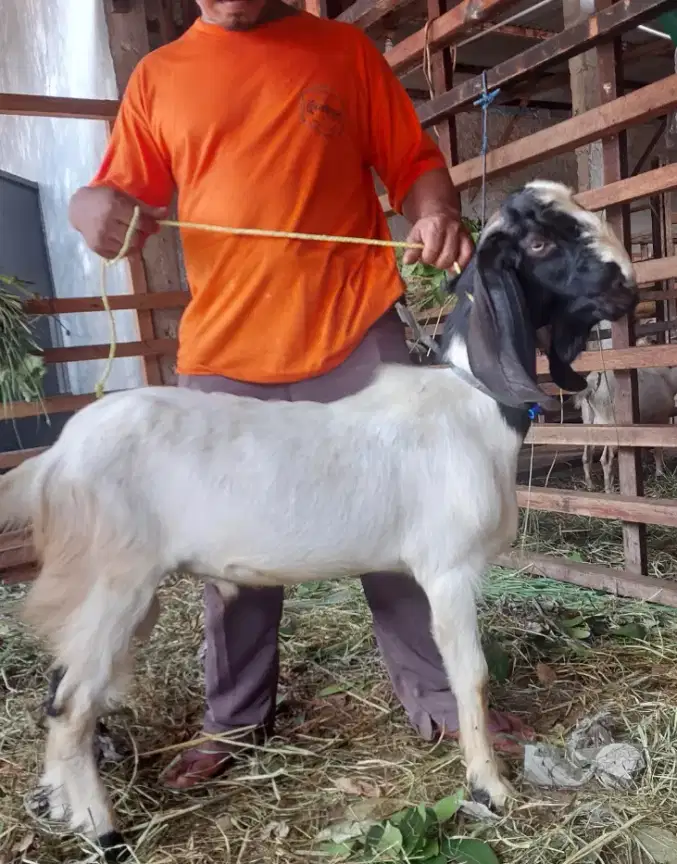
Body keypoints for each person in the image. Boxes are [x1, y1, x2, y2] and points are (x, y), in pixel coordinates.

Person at [69, 0, 531, 790]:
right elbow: (114, 192)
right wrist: (91, 208)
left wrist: (435, 212)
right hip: (225, 350)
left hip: (354, 334)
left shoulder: (342, 52)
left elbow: (413, 164)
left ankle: (443, 699)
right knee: (228, 548)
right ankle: (234, 718)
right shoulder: (158, 77)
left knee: (410, 519)